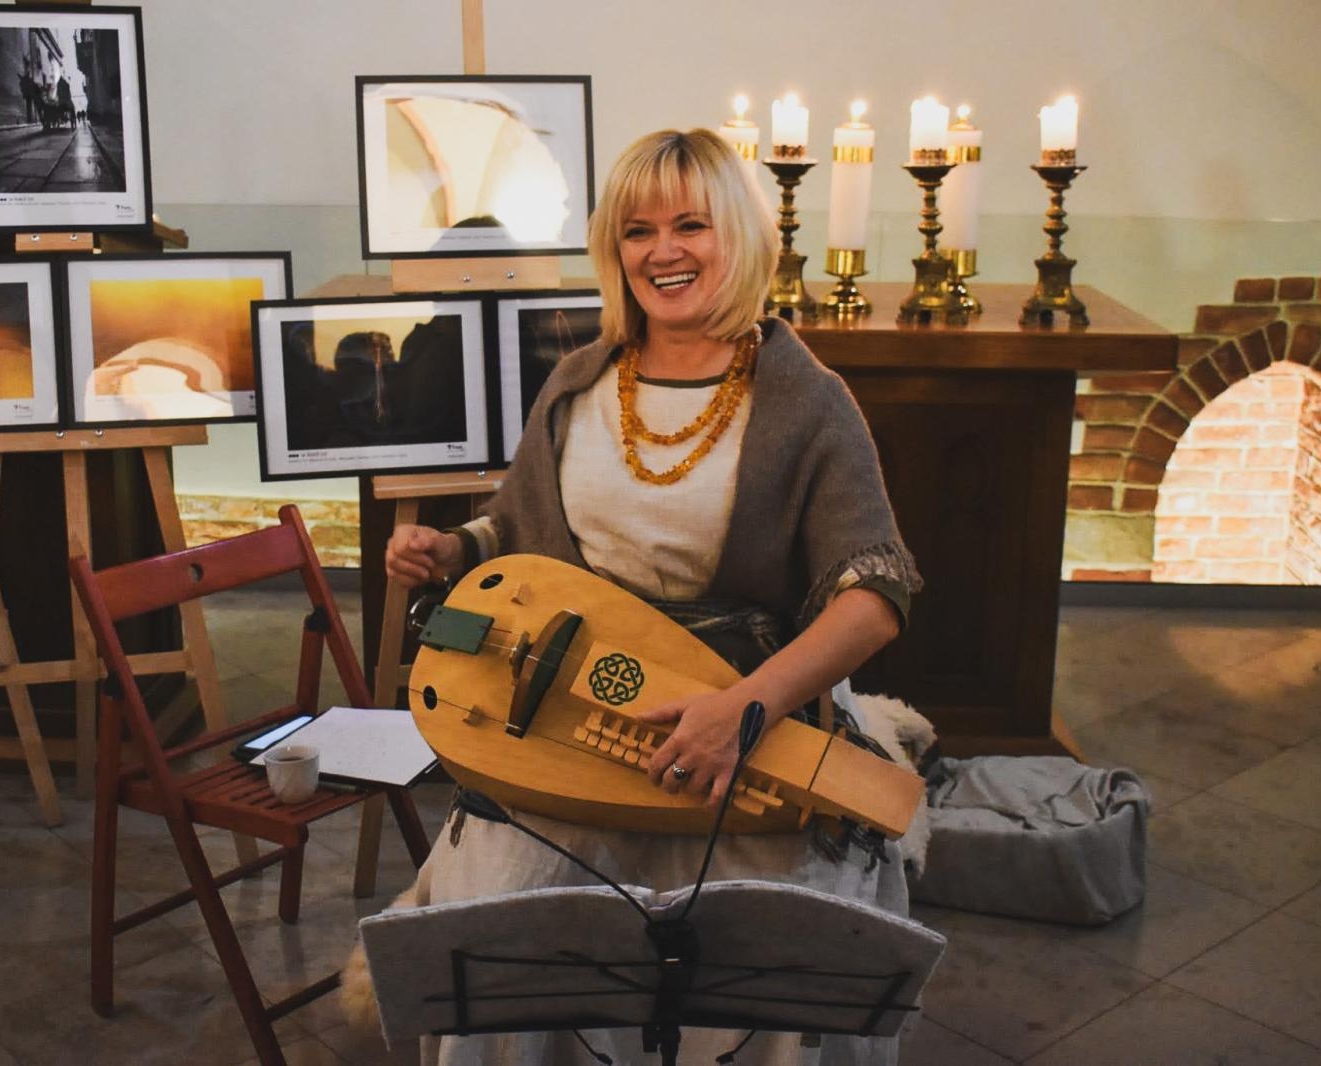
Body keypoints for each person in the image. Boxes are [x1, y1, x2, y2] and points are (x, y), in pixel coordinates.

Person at [383, 128, 922, 1066]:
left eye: (689, 225)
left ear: (738, 235)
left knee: (760, 944)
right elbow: (519, 527)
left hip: (740, 719)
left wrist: (742, 710)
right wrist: (453, 548)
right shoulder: (580, 382)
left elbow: (874, 594)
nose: (663, 251)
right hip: (566, 719)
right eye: (638, 231)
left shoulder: (807, 400)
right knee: (503, 916)